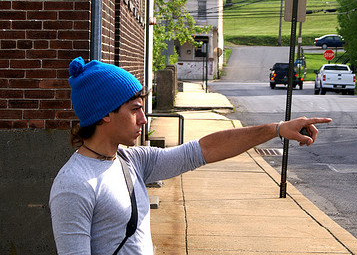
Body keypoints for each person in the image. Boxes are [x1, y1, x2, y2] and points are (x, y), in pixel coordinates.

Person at [50, 57, 332, 255]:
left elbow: (204, 149)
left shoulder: (130, 160)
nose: (144, 119)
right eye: (135, 109)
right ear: (105, 114)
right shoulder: (74, 185)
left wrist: (277, 129)